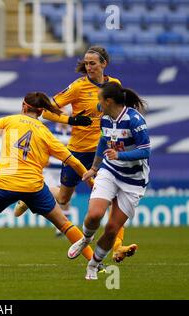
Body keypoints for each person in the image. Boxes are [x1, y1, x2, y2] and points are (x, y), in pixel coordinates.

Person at [14, 46, 137, 263]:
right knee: (63, 197)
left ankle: (118, 247)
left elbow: (120, 114)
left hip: (103, 152)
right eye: (86, 63)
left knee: (111, 200)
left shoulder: (114, 85)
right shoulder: (78, 87)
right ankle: (29, 195)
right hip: (77, 152)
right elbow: (48, 110)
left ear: (104, 64)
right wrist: (71, 120)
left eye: (93, 63)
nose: (88, 67)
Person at [0, 92, 97, 273]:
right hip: (34, 188)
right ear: (42, 112)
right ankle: (96, 263)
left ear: (24, 106)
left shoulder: (10, 120)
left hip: (5, 185)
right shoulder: (46, 133)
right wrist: (90, 180)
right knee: (64, 223)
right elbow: (73, 161)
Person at [67, 82, 149, 280]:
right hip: (110, 171)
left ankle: (93, 265)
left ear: (109, 101)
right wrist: (94, 168)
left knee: (112, 229)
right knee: (94, 215)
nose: (98, 103)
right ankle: (86, 239)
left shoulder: (134, 120)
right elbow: (103, 141)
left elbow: (145, 150)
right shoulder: (104, 118)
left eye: (100, 99)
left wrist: (119, 156)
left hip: (133, 181)